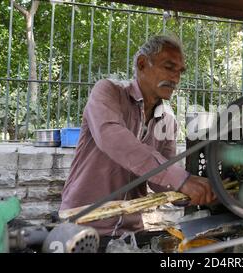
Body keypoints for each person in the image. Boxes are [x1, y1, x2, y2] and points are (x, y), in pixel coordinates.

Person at [60, 35, 216, 236]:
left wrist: (188, 192)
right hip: (81, 226)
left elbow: (158, 180)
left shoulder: (168, 121)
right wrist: (181, 179)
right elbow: (113, 138)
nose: (176, 79)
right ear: (142, 64)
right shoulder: (108, 92)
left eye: (180, 72)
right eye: (169, 68)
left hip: (130, 232)